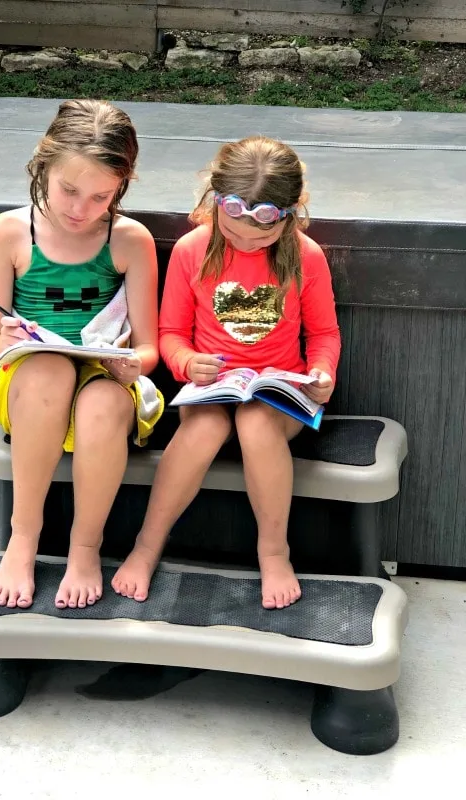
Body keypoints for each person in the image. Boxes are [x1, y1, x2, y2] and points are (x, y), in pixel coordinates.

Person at [112, 136, 341, 609]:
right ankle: (146, 546)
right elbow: (172, 331)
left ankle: (274, 553)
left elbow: (323, 334)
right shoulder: (193, 250)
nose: (247, 244)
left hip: (279, 397)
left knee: (256, 422)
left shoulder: (306, 255)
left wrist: (322, 373)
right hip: (212, 391)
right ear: (214, 204)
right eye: (235, 234)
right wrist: (185, 363)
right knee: (203, 431)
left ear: (290, 216)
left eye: (261, 239)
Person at [0, 99, 162, 610]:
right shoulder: (9, 233)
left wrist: (133, 364)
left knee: (99, 401)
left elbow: (150, 347)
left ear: (121, 187)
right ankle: (24, 536)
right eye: (69, 190)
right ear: (43, 164)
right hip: (32, 384)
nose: (81, 209)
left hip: (107, 382)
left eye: (101, 196)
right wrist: (12, 342)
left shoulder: (129, 240)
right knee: (50, 368)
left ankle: (86, 547)